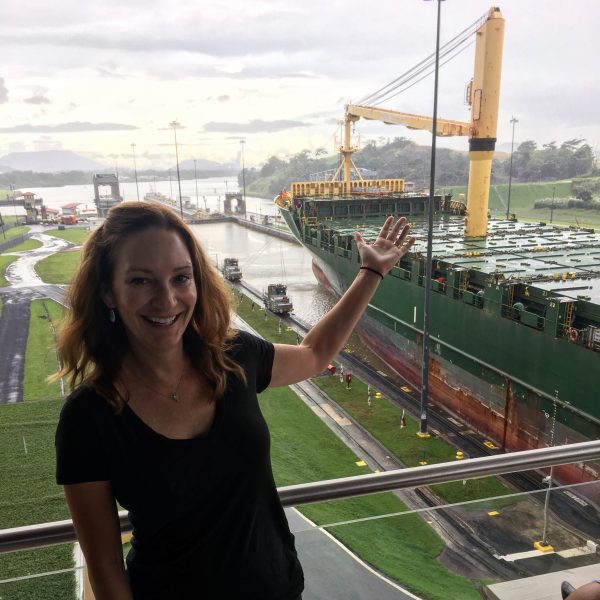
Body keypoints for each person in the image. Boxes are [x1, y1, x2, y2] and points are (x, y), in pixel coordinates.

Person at [54, 201, 415, 600]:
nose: (167, 299)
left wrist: (371, 271)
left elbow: (315, 354)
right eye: (141, 281)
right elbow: (104, 568)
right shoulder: (88, 417)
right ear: (108, 291)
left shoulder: (233, 356)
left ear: (197, 283)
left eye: (180, 278)